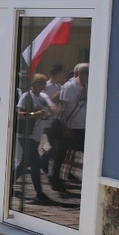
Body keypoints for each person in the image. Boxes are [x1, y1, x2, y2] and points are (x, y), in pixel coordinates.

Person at [12, 74, 55, 203]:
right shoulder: (26, 96)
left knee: (24, 163)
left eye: (44, 84)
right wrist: (34, 114)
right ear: (34, 84)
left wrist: (47, 113)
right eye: (40, 83)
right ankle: (39, 193)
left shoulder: (42, 97)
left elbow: (52, 110)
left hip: (36, 135)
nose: (42, 86)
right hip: (26, 134)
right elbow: (19, 113)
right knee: (35, 163)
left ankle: (6, 183)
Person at [49, 63, 88, 191]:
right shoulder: (70, 87)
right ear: (81, 73)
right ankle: (54, 178)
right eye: (87, 72)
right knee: (61, 153)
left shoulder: (88, 86)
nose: (89, 75)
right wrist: (65, 126)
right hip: (69, 126)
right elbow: (64, 108)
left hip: (82, 126)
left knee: (85, 152)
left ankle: (77, 177)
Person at [40, 63, 64, 173]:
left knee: (56, 146)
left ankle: (44, 164)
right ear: (58, 73)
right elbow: (42, 102)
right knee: (55, 147)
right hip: (48, 121)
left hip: (56, 120)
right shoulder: (47, 86)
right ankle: (40, 163)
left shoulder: (59, 86)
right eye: (62, 73)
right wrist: (54, 98)